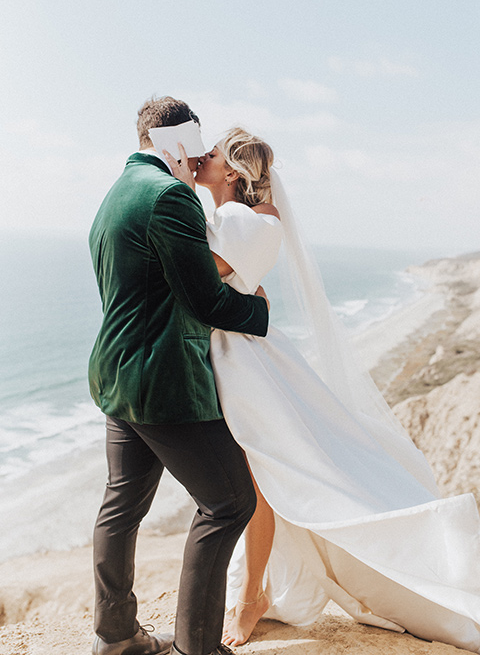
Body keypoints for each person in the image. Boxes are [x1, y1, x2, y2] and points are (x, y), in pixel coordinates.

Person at [163, 127, 480, 655]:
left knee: (260, 481)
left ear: (235, 172)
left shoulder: (246, 219)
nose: (202, 157)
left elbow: (199, 275)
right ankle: (254, 589)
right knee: (257, 481)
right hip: (228, 353)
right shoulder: (233, 217)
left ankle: (251, 595)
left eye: (213, 153)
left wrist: (185, 193)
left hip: (244, 364)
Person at [88, 98, 270, 655]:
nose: (198, 159)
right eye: (194, 146)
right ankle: (199, 647)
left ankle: (116, 638)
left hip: (115, 374)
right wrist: (259, 310)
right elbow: (204, 299)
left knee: (121, 505)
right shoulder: (169, 196)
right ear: (173, 142)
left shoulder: (115, 193)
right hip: (163, 382)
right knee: (230, 503)